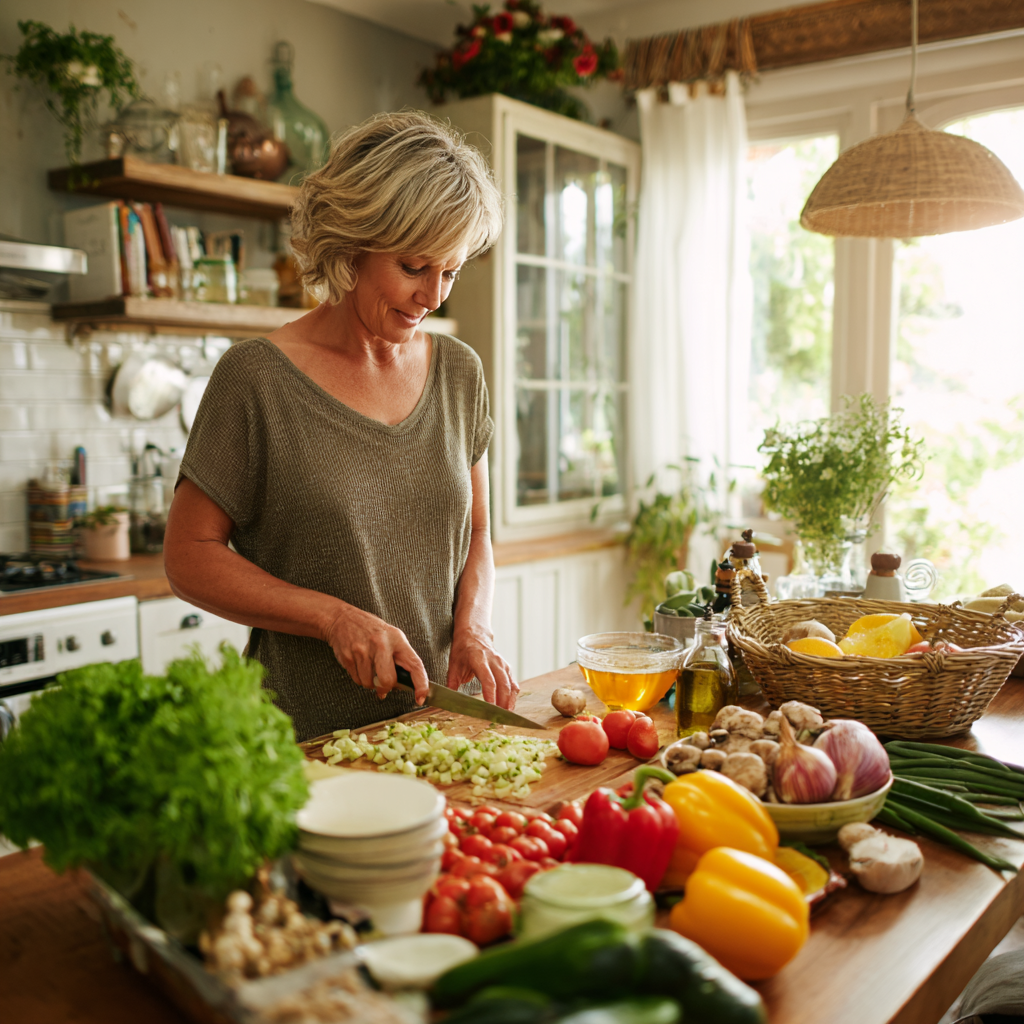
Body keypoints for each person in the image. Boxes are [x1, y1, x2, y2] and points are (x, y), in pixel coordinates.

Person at [163, 110, 517, 742]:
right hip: (297, 742)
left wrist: (474, 629)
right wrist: (331, 618)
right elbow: (188, 557)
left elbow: (479, 533)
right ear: (353, 245)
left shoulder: (459, 372)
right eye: (414, 267)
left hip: (429, 732)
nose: (434, 295)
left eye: (451, 270)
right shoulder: (255, 378)